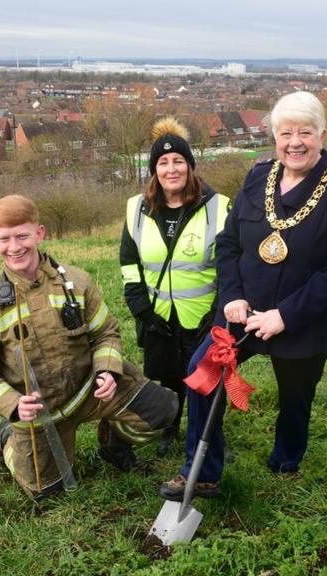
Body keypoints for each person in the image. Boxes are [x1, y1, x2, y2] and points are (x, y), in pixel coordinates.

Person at [159, 91, 327, 500]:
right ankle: (202, 471)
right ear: (274, 137)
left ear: (322, 134)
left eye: (305, 132)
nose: (295, 142)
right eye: (285, 132)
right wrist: (231, 296)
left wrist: (284, 316)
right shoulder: (258, 177)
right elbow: (230, 243)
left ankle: (285, 462)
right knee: (202, 375)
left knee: (295, 398)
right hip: (245, 312)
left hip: (301, 317)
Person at [0, 194, 178, 500]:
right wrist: (13, 406)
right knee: (45, 491)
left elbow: (106, 332)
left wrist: (107, 371)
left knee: (163, 410)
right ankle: (10, 440)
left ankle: (114, 444)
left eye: (22, 235)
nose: (14, 247)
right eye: (4, 238)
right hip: (39, 414)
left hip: (91, 390)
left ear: (40, 233)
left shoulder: (78, 282)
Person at [120, 117, 230, 456]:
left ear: (190, 166)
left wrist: (217, 315)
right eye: (163, 163)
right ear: (154, 171)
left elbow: (231, 266)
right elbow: (130, 263)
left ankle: (212, 437)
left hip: (204, 316)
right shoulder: (136, 209)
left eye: (178, 161)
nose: (171, 169)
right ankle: (170, 429)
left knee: (207, 380)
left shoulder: (219, 207)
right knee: (168, 379)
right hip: (158, 317)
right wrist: (142, 311)